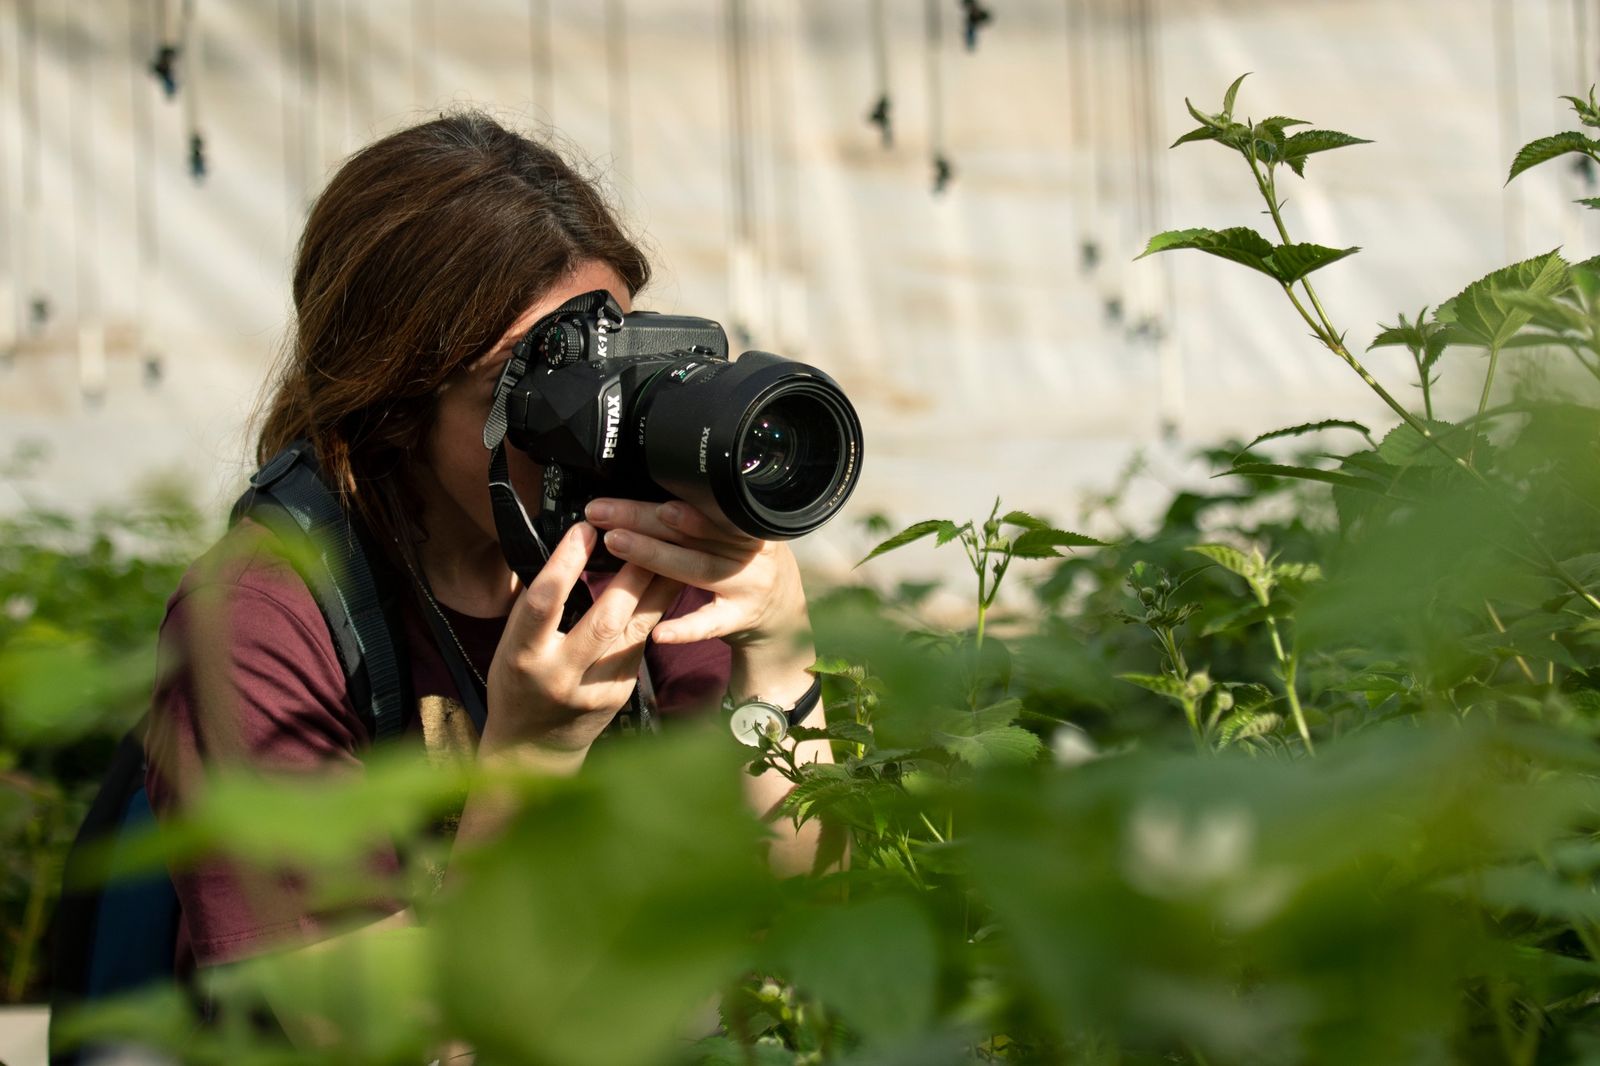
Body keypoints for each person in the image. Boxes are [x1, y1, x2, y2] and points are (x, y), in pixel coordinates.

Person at [142, 111, 831, 980]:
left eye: (608, 354)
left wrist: (780, 646)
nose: (595, 422)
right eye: (545, 383)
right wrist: (533, 757)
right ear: (391, 409)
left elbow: (804, 940)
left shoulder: (643, 550)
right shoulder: (262, 617)